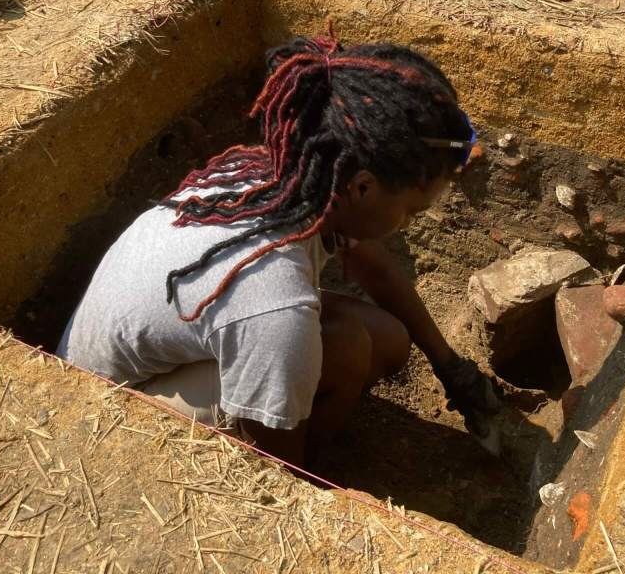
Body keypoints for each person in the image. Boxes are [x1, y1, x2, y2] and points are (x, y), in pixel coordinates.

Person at [57, 35, 500, 465]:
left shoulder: (302, 175)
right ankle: (322, 464)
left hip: (161, 355)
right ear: (363, 187)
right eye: (412, 212)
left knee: (387, 341)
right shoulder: (272, 299)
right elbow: (275, 456)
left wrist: (450, 366)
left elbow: (375, 269)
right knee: (343, 351)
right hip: (104, 411)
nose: (409, 222)